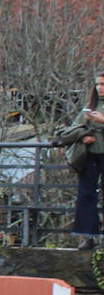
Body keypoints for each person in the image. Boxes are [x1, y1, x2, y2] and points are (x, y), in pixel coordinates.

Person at [58, 72, 104, 249]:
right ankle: (88, 236)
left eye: (103, 84)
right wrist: (83, 135)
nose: (99, 87)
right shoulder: (90, 106)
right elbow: (73, 129)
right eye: (97, 84)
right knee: (86, 195)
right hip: (90, 155)